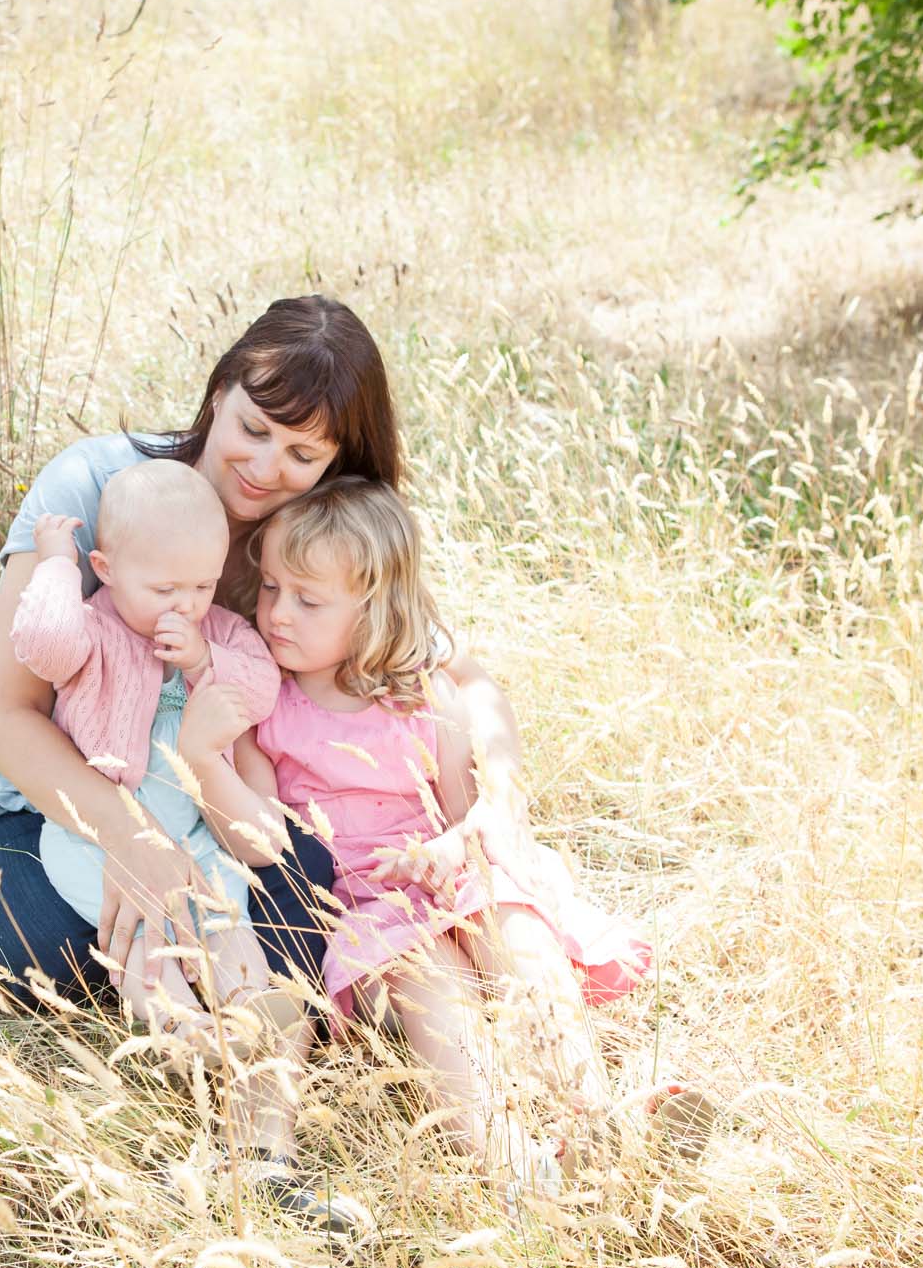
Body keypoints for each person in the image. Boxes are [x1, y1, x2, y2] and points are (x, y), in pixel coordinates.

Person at [0, 294, 543, 1224]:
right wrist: (134, 844)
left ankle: (262, 1143)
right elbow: (7, 721)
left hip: (209, 810)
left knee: (305, 872)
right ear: (217, 393)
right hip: (42, 810)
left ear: (337, 465)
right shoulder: (101, 488)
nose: (265, 468)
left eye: (302, 454)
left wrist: (496, 794)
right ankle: (219, 1045)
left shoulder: (309, 537)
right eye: (252, 428)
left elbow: (460, 671)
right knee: (61, 949)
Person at [176, 477, 654, 1201]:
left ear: (374, 608)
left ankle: (596, 1111)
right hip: (369, 911)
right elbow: (259, 840)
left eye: (308, 599)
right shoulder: (268, 710)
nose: (276, 613)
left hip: (453, 879)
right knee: (433, 990)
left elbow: (468, 815)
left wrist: (451, 847)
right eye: (271, 587)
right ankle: (516, 1164)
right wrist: (207, 759)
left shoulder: (421, 696)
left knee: (519, 941)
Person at [10, 459, 295, 1060]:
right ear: (107, 571)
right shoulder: (92, 632)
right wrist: (57, 561)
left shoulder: (219, 631)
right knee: (144, 931)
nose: (185, 606)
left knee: (224, 914)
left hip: (194, 828)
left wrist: (200, 663)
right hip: (93, 834)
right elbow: (41, 642)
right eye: (164, 590)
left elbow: (261, 687)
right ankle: (181, 1032)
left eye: (201, 586)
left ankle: (249, 1008)